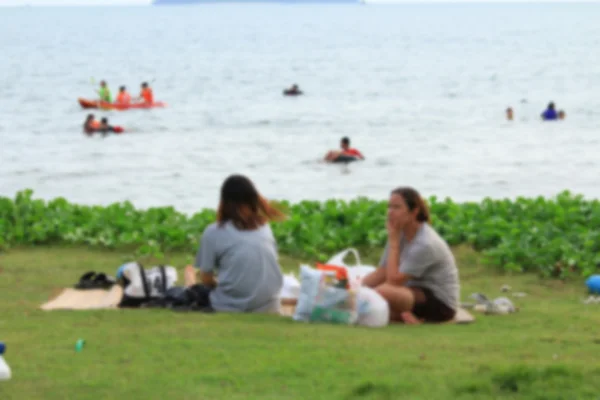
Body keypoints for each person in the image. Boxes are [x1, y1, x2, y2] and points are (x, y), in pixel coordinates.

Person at [185, 174, 286, 313]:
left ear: (224, 201)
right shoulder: (264, 227)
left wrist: (218, 284)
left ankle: (189, 279)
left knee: (196, 292)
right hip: (270, 304)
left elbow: (206, 279)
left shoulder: (213, 232)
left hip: (230, 306)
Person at [362, 187, 460, 324]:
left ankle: (402, 315)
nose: (390, 212)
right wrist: (357, 287)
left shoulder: (425, 243)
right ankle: (400, 315)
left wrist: (394, 243)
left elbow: (393, 281)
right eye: (389, 207)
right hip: (410, 291)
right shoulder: (399, 232)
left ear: (414, 211)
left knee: (381, 293)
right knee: (365, 291)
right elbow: (382, 272)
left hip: (440, 303)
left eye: (396, 207)